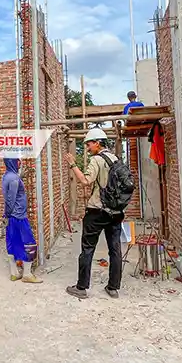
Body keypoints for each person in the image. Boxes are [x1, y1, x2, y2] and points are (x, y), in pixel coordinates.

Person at [64, 127, 124, 299]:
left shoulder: (97, 160)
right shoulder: (116, 160)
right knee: (115, 249)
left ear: (97, 143)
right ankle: (113, 288)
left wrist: (73, 164)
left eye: (89, 144)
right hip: (116, 211)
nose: (87, 148)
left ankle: (81, 287)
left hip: (97, 210)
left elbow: (85, 181)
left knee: (88, 248)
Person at [2, 158, 42, 284]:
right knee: (29, 243)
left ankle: (14, 273)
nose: (20, 163)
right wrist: (8, 214)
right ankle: (27, 274)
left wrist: (6, 216)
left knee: (12, 242)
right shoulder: (14, 179)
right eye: (18, 161)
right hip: (18, 217)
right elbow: (10, 199)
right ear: (13, 162)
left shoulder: (7, 176)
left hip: (11, 218)